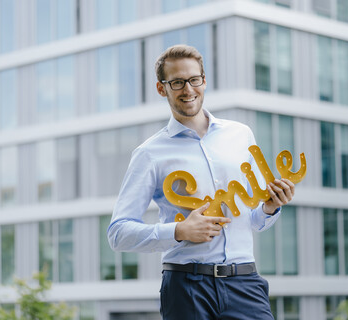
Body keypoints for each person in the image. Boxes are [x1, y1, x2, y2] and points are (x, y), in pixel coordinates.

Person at [107, 44, 295, 320]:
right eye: (177, 82)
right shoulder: (149, 153)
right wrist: (179, 231)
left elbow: (253, 221)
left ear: (204, 81)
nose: (188, 89)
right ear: (162, 89)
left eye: (194, 80)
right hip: (186, 288)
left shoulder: (241, 135)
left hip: (244, 282)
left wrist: (270, 207)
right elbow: (118, 234)